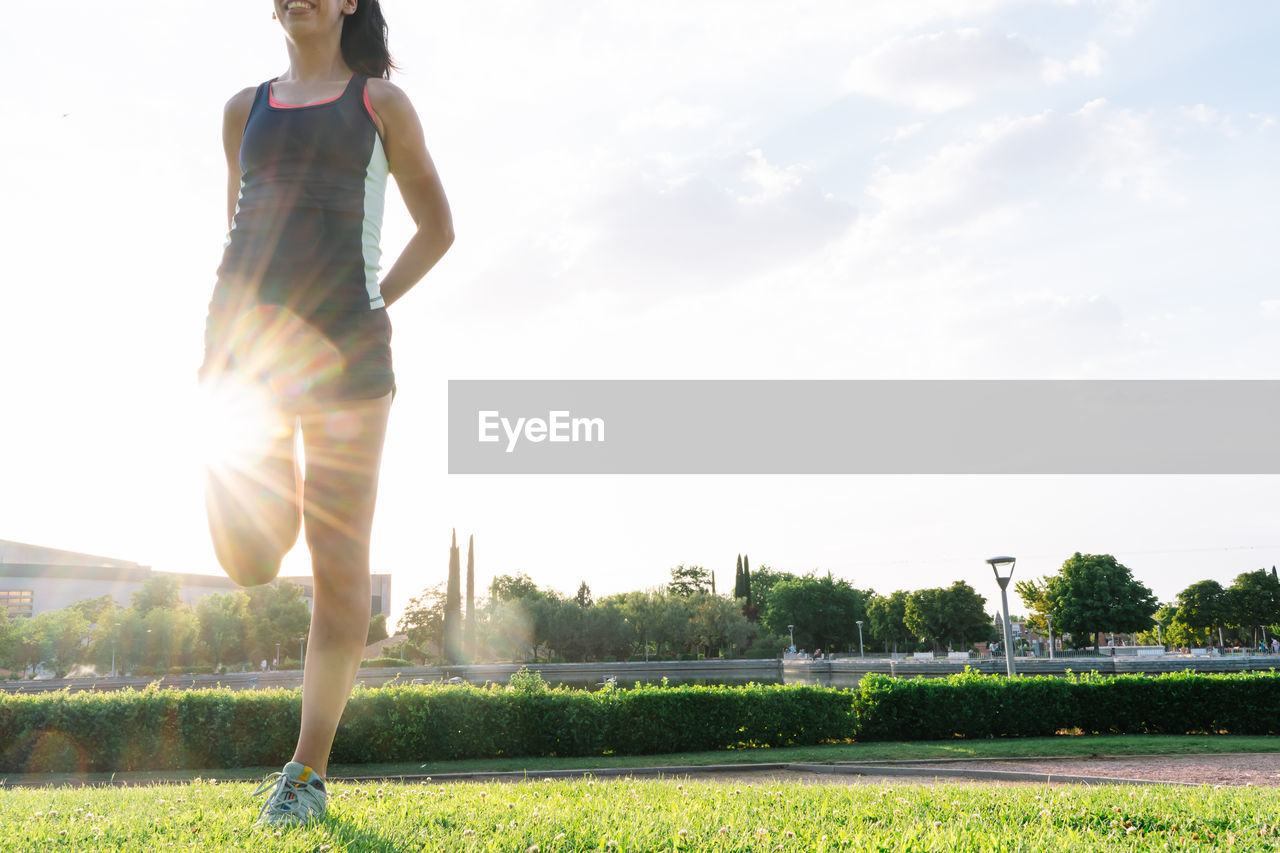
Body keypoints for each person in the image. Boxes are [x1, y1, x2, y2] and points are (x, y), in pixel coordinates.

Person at [198, 0, 452, 828]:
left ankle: (305, 773)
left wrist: (373, 303)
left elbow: (437, 230)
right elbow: (241, 235)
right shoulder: (245, 110)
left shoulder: (380, 104)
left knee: (339, 561)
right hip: (253, 358)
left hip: (348, 358)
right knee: (250, 561)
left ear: (349, 2)